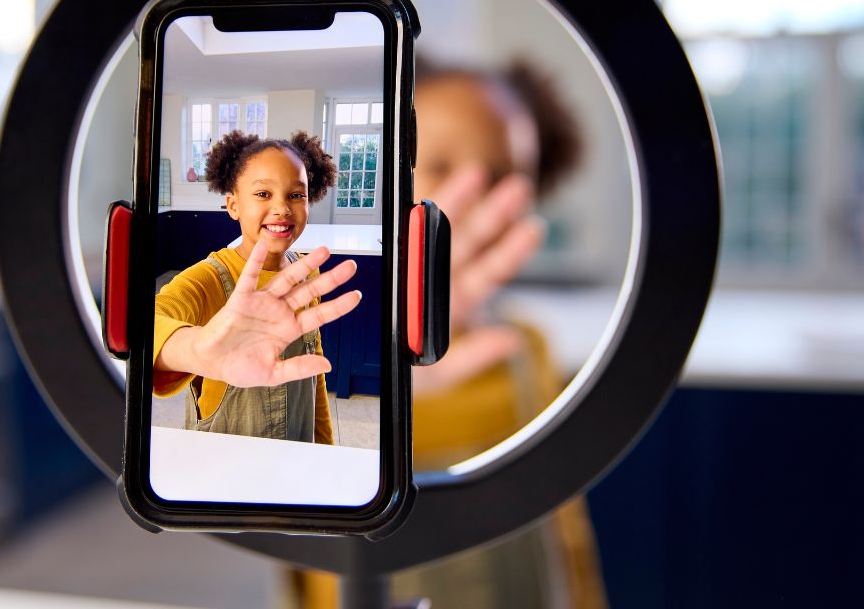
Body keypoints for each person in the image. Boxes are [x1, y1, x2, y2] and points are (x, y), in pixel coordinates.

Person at [293, 59, 608, 608]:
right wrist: (379, 389)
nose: (472, 197)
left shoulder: (525, 349)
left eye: (505, 177)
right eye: (439, 164)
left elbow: (566, 535)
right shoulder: (321, 346)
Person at [151, 130, 360, 444]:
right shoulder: (208, 279)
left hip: (297, 453)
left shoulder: (307, 270)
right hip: (222, 467)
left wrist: (325, 448)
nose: (282, 208)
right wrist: (200, 349)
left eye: (296, 194)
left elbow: (312, 367)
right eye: (263, 194)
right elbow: (147, 324)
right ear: (233, 205)